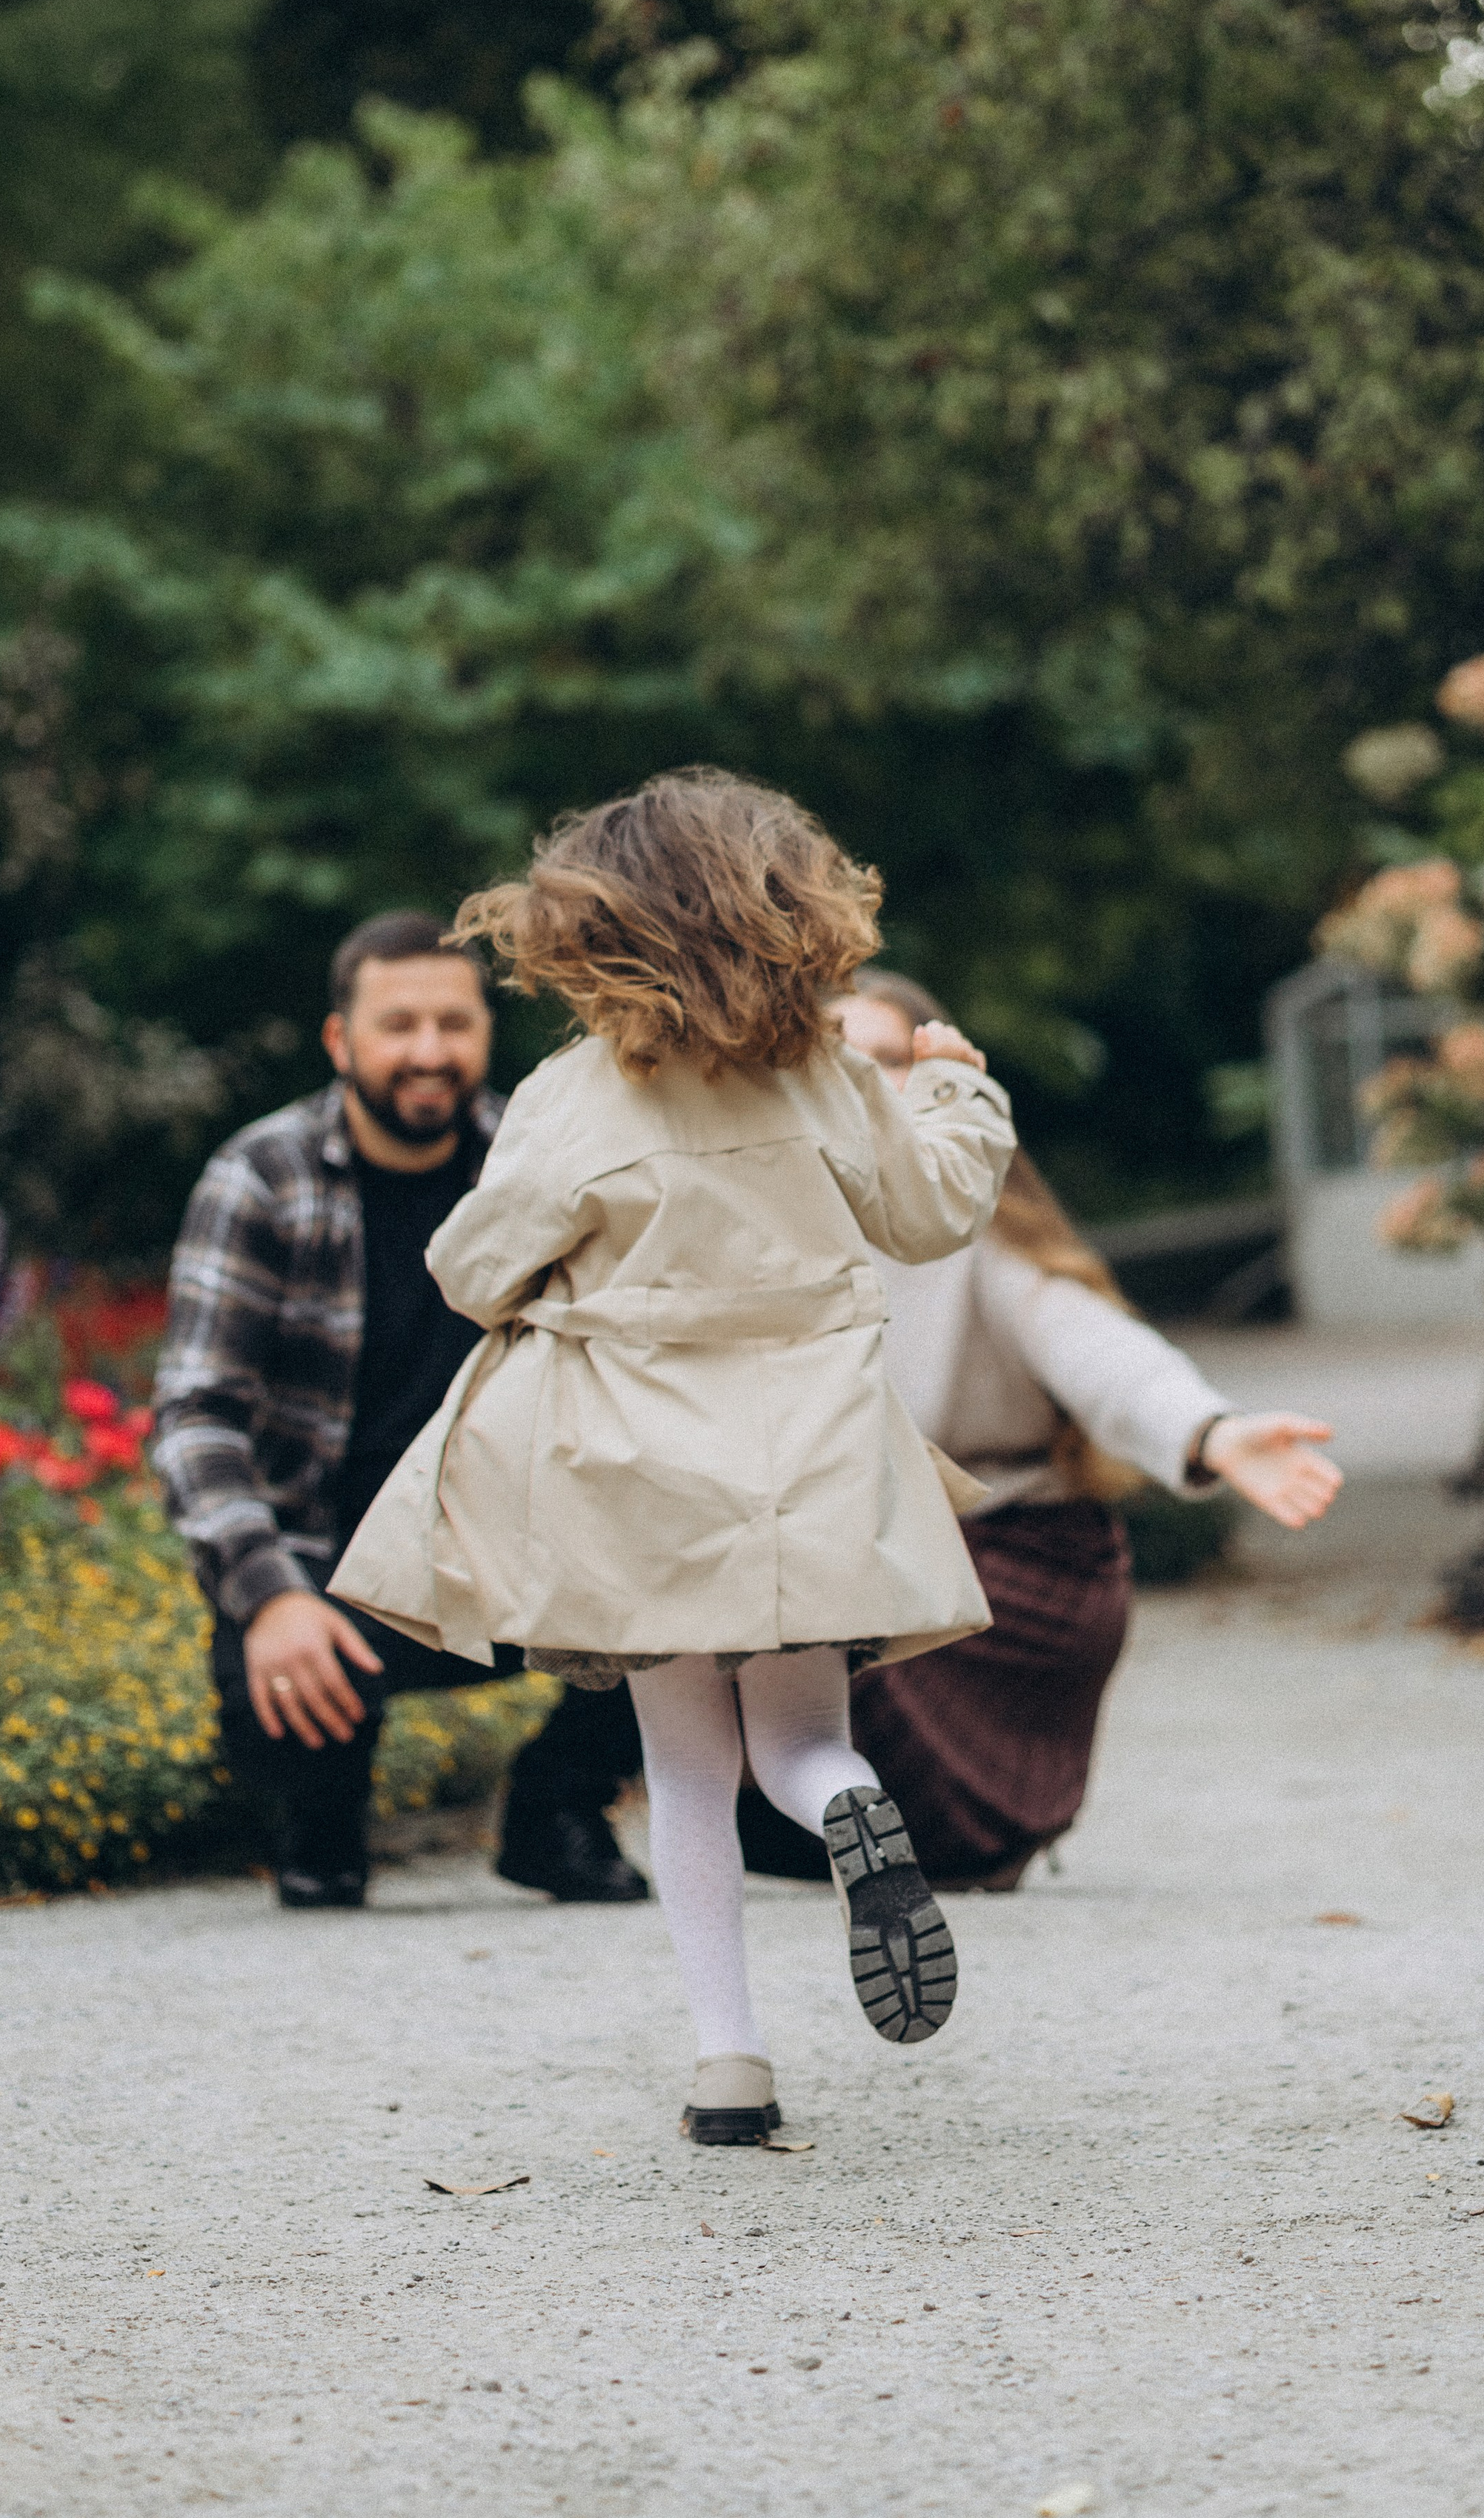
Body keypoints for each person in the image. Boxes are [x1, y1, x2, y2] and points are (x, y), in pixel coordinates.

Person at [330, 771, 1016, 2146]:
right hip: (809, 1461)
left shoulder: (573, 1099)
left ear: (589, 935)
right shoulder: (828, 1078)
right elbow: (932, 1210)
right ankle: (858, 1813)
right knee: (805, 1740)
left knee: (685, 1772)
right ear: (794, 916)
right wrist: (956, 1088)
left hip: (635, 1480)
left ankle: (729, 2070)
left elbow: (470, 1270)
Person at [737, 969, 1342, 1894]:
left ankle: (915, 1832)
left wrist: (1208, 1432)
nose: (867, 1088)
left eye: (893, 1062)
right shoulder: (742, 1234)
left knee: (829, 1626)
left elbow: (1096, 1349)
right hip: (851, 1566)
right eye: (836, 1062)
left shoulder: (979, 1236)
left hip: (1014, 1574)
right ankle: (585, 1814)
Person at [153, 908, 647, 1912]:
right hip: (332, 1571)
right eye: (399, 1025)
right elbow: (194, 1417)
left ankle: (557, 1806)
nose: (429, 1052)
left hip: (516, 1553)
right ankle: (322, 1814)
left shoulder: (543, 1166)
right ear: (342, 1040)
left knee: (705, 1573)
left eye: (454, 1025)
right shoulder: (261, 1177)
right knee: (309, 1843)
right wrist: (269, 1596)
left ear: (485, 1033)